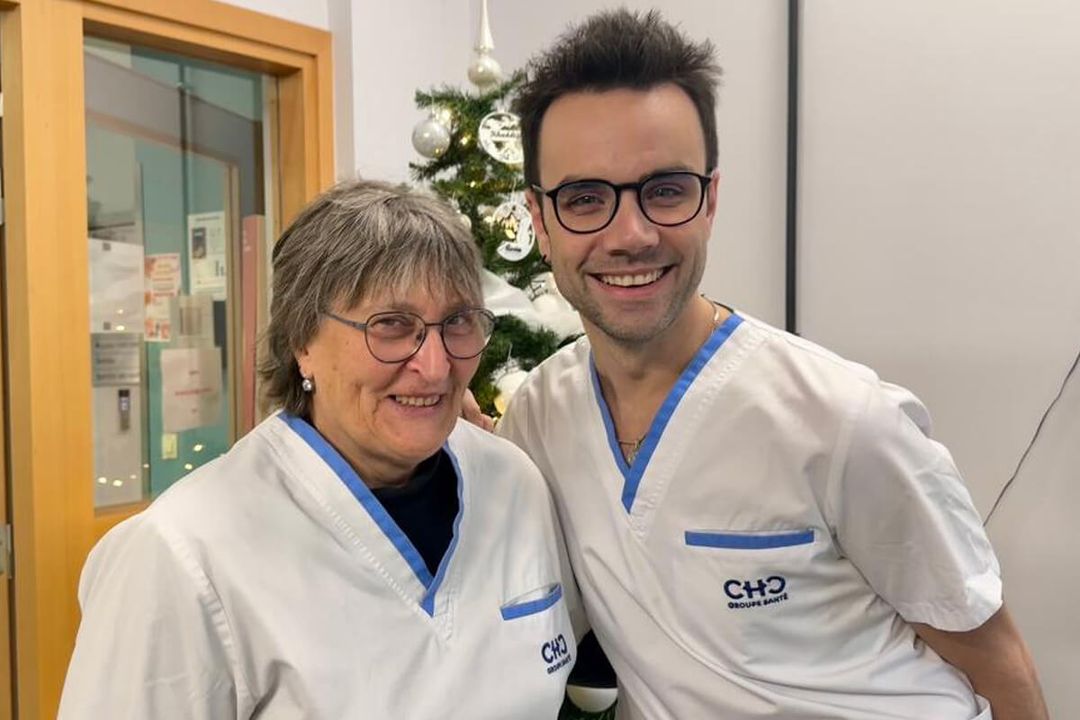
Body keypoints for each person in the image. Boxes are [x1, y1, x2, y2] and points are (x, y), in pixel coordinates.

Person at [495, 9, 1048, 720]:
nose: (629, 234)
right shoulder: (538, 420)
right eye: (584, 199)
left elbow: (998, 659)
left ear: (710, 201)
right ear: (539, 221)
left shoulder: (844, 421)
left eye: (665, 190)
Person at [60, 180, 581, 718]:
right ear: (301, 341)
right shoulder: (179, 554)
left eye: (457, 322)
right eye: (391, 325)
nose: (434, 366)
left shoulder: (513, 484)